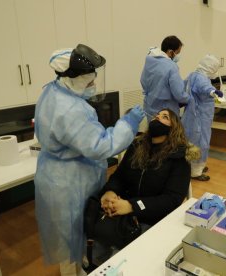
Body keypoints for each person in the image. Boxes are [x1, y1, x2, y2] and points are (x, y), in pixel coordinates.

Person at [34, 44, 144, 275]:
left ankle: (79, 264)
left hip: (56, 174)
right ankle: (72, 270)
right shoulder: (71, 109)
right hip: (69, 182)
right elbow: (101, 146)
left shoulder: (52, 90)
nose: (93, 85)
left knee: (74, 231)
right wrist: (129, 123)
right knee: (71, 233)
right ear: (72, 78)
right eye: (89, 82)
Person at [96, 109, 199, 262]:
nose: (157, 118)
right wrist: (110, 192)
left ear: (174, 128)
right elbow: (119, 176)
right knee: (98, 237)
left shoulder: (179, 158)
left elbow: (172, 200)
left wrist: (132, 206)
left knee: (123, 259)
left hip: (155, 219)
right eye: (157, 115)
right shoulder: (137, 147)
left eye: (165, 117)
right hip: (125, 212)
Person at [181, 54, 223, 181]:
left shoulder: (194, 75)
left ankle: (195, 167)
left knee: (193, 141)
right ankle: (196, 172)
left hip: (194, 114)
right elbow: (204, 88)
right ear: (210, 67)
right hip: (200, 116)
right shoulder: (201, 78)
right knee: (201, 143)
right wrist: (213, 92)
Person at [140, 35, 190, 120]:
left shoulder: (150, 62)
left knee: (154, 132)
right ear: (170, 52)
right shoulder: (171, 66)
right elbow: (179, 94)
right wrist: (189, 99)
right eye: (177, 53)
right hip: (166, 113)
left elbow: (143, 81)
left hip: (150, 108)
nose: (177, 56)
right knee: (167, 133)